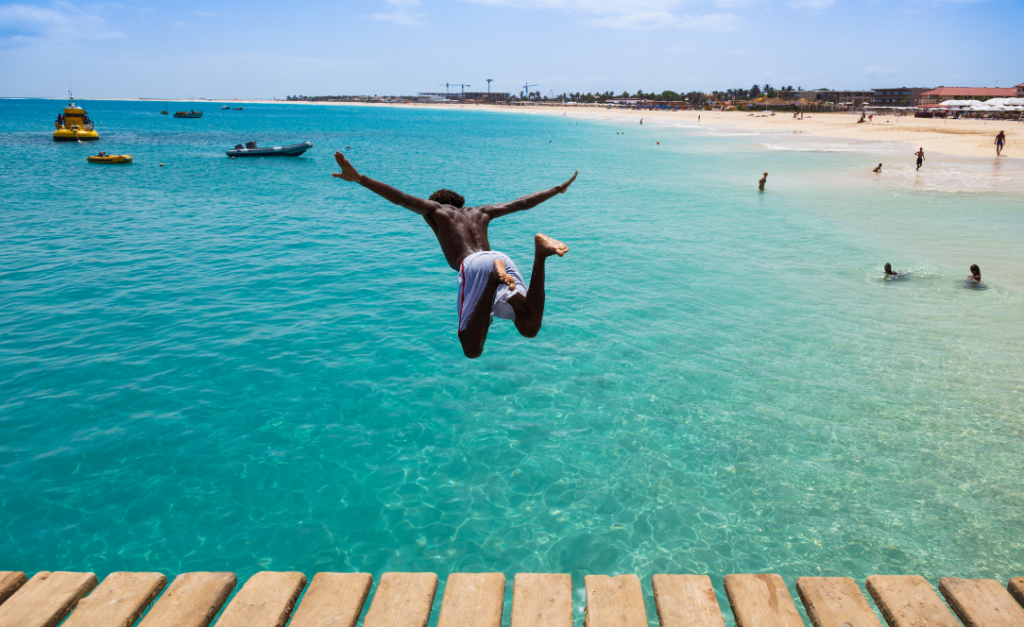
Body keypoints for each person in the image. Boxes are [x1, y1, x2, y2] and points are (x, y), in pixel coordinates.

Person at [331, 151, 576, 359]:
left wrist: (360, 178)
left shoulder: (436, 210)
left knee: (472, 349)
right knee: (529, 325)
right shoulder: (481, 211)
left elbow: (402, 199)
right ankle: (540, 255)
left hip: (476, 266)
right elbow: (521, 203)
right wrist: (556, 189)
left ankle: (493, 280)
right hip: (499, 256)